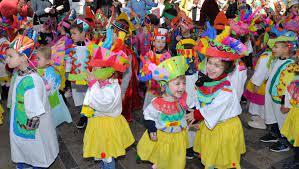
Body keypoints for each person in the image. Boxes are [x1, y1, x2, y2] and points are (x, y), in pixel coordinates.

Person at [191, 26, 247, 169]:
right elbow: (204, 99)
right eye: (209, 63)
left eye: (217, 65)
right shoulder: (211, 80)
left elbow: (216, 107)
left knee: (222, 159)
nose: (211, 68)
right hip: (212, 123)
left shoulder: (225, 88)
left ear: (226, 69)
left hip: (224, 128)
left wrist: (197, 114)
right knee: (212, 156)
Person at [5, 28, 59, 169]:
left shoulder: (31, 80)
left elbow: (35, 109)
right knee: (24, 148)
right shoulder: (20, 74)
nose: (6, 59)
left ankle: (36, 164)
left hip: (30, 127)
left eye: (10, 56)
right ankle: (26, 160)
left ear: (23, 57)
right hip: (21, 122)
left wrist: (29, 128)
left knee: (35, 149)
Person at [81, 30, 135, 169]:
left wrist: (93, 85)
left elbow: (104, 104)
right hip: (98, 124)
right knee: (102, 153)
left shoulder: (113, 87)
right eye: (92, 69)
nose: (92, 72)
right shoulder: (101, 82)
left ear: (108, 71)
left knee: (108, 155)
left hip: (107, 127)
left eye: (95, 70)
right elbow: (91, 98)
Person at [137, 55, 191, 169]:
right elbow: (148, 116)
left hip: (178, 139)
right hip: (163, 139)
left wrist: (188, 123)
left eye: (184, 83)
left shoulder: (181, 100)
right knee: (162, 163)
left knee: (177, 163)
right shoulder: (157, 103)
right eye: (177, 84)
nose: (182, 87)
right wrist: (152, 130)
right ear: (164, 87)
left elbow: (183, 115)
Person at [260, 30, 297, 152]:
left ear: (286, 49)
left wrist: (285, 103)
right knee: (273, 116)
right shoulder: (277, 60)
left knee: (283, 120)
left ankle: (284, 142)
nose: (273, 49)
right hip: (272, 96)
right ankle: (275, 133)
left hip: (282, 100)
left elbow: (290, 87)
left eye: (276, 47)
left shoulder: (291, 65)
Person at [66, 18, 93, 129]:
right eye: (71, 33)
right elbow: (69, 60)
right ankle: (83, 116)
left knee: (89, 97)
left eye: (74, 33)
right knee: (79, 98)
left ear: (83, 33)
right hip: (76, 77)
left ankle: (90, 116)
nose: (72, 36)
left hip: (88, 77)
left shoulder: (90, 46)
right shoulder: (71, 47)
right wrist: (67, 72)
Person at [36, 46, 72, 127]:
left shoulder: (51, 72)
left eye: (38, 59)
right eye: (36, 58)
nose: (36, 60)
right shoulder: (37, 70)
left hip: (51, 98)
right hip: (43, 98)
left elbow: (53, 87)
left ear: (48, 61)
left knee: (52, 118)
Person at [139, 27, 172, 110]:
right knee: (150, 109)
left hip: (163, 88)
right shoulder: (149, 55)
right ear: (153, 42)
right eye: (158, 41)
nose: (160, 44)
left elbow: (170, 71)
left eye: (163, 42)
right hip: (151, 87)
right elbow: (143, 70)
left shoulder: (167, 56)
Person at [280, 60, 299, 169]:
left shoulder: (293, 81)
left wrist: (284, 105)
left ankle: (297, 161)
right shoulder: (293, 81)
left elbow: (285, 108)